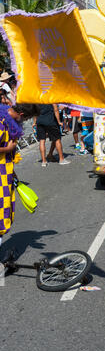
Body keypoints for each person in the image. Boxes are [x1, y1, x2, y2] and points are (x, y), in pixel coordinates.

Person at [0, 103, 40, 248]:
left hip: (5, 173)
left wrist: (13, 174)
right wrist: (7, 148)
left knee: (4, 214)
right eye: (26, 119)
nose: (23, 122)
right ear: (22, 115)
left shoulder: (7, 121)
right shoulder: (1, 122)